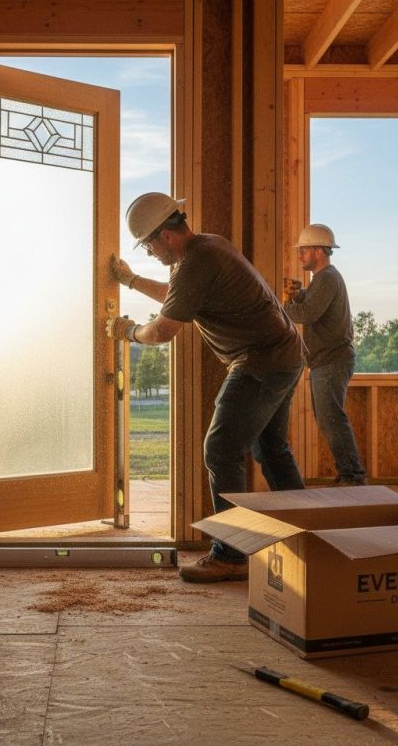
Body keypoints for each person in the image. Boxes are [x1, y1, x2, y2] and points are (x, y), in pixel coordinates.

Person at [107, 192, 306, 583]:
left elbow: (163, 329)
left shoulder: (196, 261)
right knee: (272, 450)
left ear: (166, 234)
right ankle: (307, 538)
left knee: (221, 449)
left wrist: (127, 332)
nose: (148, 252)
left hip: (260, 361)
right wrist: (130, 281)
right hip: (283, 356)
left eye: (148, 243)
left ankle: (231, 555)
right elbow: (179, 298)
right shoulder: (207, 247)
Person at [282, 224, 366, 487]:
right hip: (327, 360)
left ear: (319, 251)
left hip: (332, 360)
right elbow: (312, 303)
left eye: (304, 250)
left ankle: (353, 478)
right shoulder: (323, 279)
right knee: (329, 418)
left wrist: (280, 306)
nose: (300, 255)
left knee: (331, 419)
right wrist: (298, 294)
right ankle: (350, 475)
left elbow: (308, 314)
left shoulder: (327, 277)